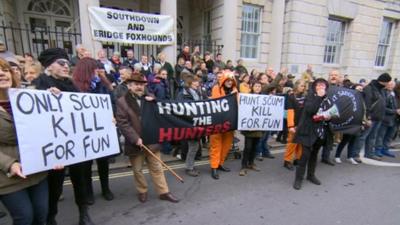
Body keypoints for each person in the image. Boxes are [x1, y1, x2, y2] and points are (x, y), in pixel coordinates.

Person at [33, 48, 95, 225]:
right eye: (61, 63)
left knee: (80, 179)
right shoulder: (40, 83)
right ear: (49, 66)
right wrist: (46, 97)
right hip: (54, 145)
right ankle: (51, 216)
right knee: (55, 184)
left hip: (74, 142)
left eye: (68, 63)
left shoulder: (72, 85)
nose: (66, 66)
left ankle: (84, 213)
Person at [116, 72, 179, 203]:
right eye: (136, 84)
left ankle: (163, 192)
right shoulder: (122, 102)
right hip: (135, 142)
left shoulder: (150, 97)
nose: (139, 87)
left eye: (141, 84)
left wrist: (155, 101)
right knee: (138, 170)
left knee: (157, 168)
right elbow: (123, 123)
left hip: (151, 140)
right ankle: (142, 190)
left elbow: (161, 111)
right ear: (129, 86)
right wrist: (134, 138)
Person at [0, 58, 49, 225]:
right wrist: (10, 164)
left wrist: (56, 99)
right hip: (7, 176)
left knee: (41, 215)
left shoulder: (30, 97)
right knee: (24, 217)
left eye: (5, 70)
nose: (2, 73)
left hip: (36, 170)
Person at [72, 58, 115, 203]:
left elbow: (111, 101)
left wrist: (112, 115)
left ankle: (106, 189)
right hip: (84, 130)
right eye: (94, 69)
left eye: (98, 69)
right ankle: (88, 192)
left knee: (103, 162)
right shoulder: (75, 86)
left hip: (102, 129)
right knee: (86, 165)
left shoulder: (103, 84)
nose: (97, 72)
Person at [293, 78, 332, 190]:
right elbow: (310, 110)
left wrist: (329, 117)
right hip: (308, 131)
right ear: (314, 87)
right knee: (304, 156)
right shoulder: (310, 97)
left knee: (314, 155)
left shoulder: (328, 99)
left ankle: (311, 175)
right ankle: (298, 179)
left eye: (323, 86)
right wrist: (319, 97)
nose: (320, 88)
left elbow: (330, 112)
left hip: (320, 131)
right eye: (318, 86)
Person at [209, 71, 238, 179]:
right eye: (228, 80)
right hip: (217, 123)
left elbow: (238, 105)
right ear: (224, 80)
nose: (230, 82)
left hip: (230, 124)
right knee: (216, 146)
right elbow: (217, 103)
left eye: (231, 81)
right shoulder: (217, 88)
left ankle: (220, 164)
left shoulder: (235, 91)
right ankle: (214, 167)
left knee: (226, 146)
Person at [176, 76, 203, 176]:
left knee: (193, 146)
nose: (197, 84)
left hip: (196, 122)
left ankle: (190, 165)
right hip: (188, 123)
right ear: (189, 83)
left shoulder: (197, 93)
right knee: (193, 146)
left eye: (198, 82)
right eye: (195, 82)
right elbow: (180, 108)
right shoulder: (182, 94)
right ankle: (189, 167)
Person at [362, 73, 392, 160]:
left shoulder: (381, 89)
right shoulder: (370, 88)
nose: (389, 84)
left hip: (378, 118)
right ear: (385, 82)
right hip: (371, 118)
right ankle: (355, 155)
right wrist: (368, 117)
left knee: (372, 137)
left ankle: (369, 153)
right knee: (363, 137)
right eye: (388, 82)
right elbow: (367, 104)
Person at [239, 81, 263, 176]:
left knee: (255, 147)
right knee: (248, 148)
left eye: (259, 86)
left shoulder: (264, 98)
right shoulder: (247, 97)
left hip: (259, 128)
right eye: (256, 86)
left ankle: (251, 163)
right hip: (249, 128)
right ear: (252, 87)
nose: (257, 88)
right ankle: (243, 166)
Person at [283, 79, 306, 170]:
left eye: (304, 86)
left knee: (300, 143)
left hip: (302, 123)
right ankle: (287, 161)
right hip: (294, 124)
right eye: (301, 86)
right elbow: (289, 112)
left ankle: (298, 159)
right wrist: (291, 126)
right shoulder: (291, 96)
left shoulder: (305, 96)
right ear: (296, 86)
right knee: (292, 143)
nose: (303, 88)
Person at [375, 80, 399, 158]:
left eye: (392, 84)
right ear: (386, 85)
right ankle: (377, 150)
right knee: (380, 136)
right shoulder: (383, 93)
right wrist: (395, 111)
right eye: (389, 84)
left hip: (395, 119)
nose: (391, 85)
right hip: (385, 118)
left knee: (389, 136)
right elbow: (383, 107)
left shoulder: (395, 93)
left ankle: (385, 149)